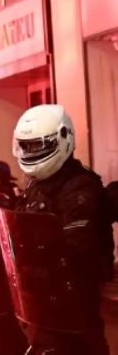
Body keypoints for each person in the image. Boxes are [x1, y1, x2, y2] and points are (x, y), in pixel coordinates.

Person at [11, 104, 114, 354]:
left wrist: (38, 267)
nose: (31, 151)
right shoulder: (38, 185)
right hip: (43, 308)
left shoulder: (80, 188)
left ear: (64, 138)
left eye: (39, 145)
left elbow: (76, 251)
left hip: (72, 309)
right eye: (27, 145)